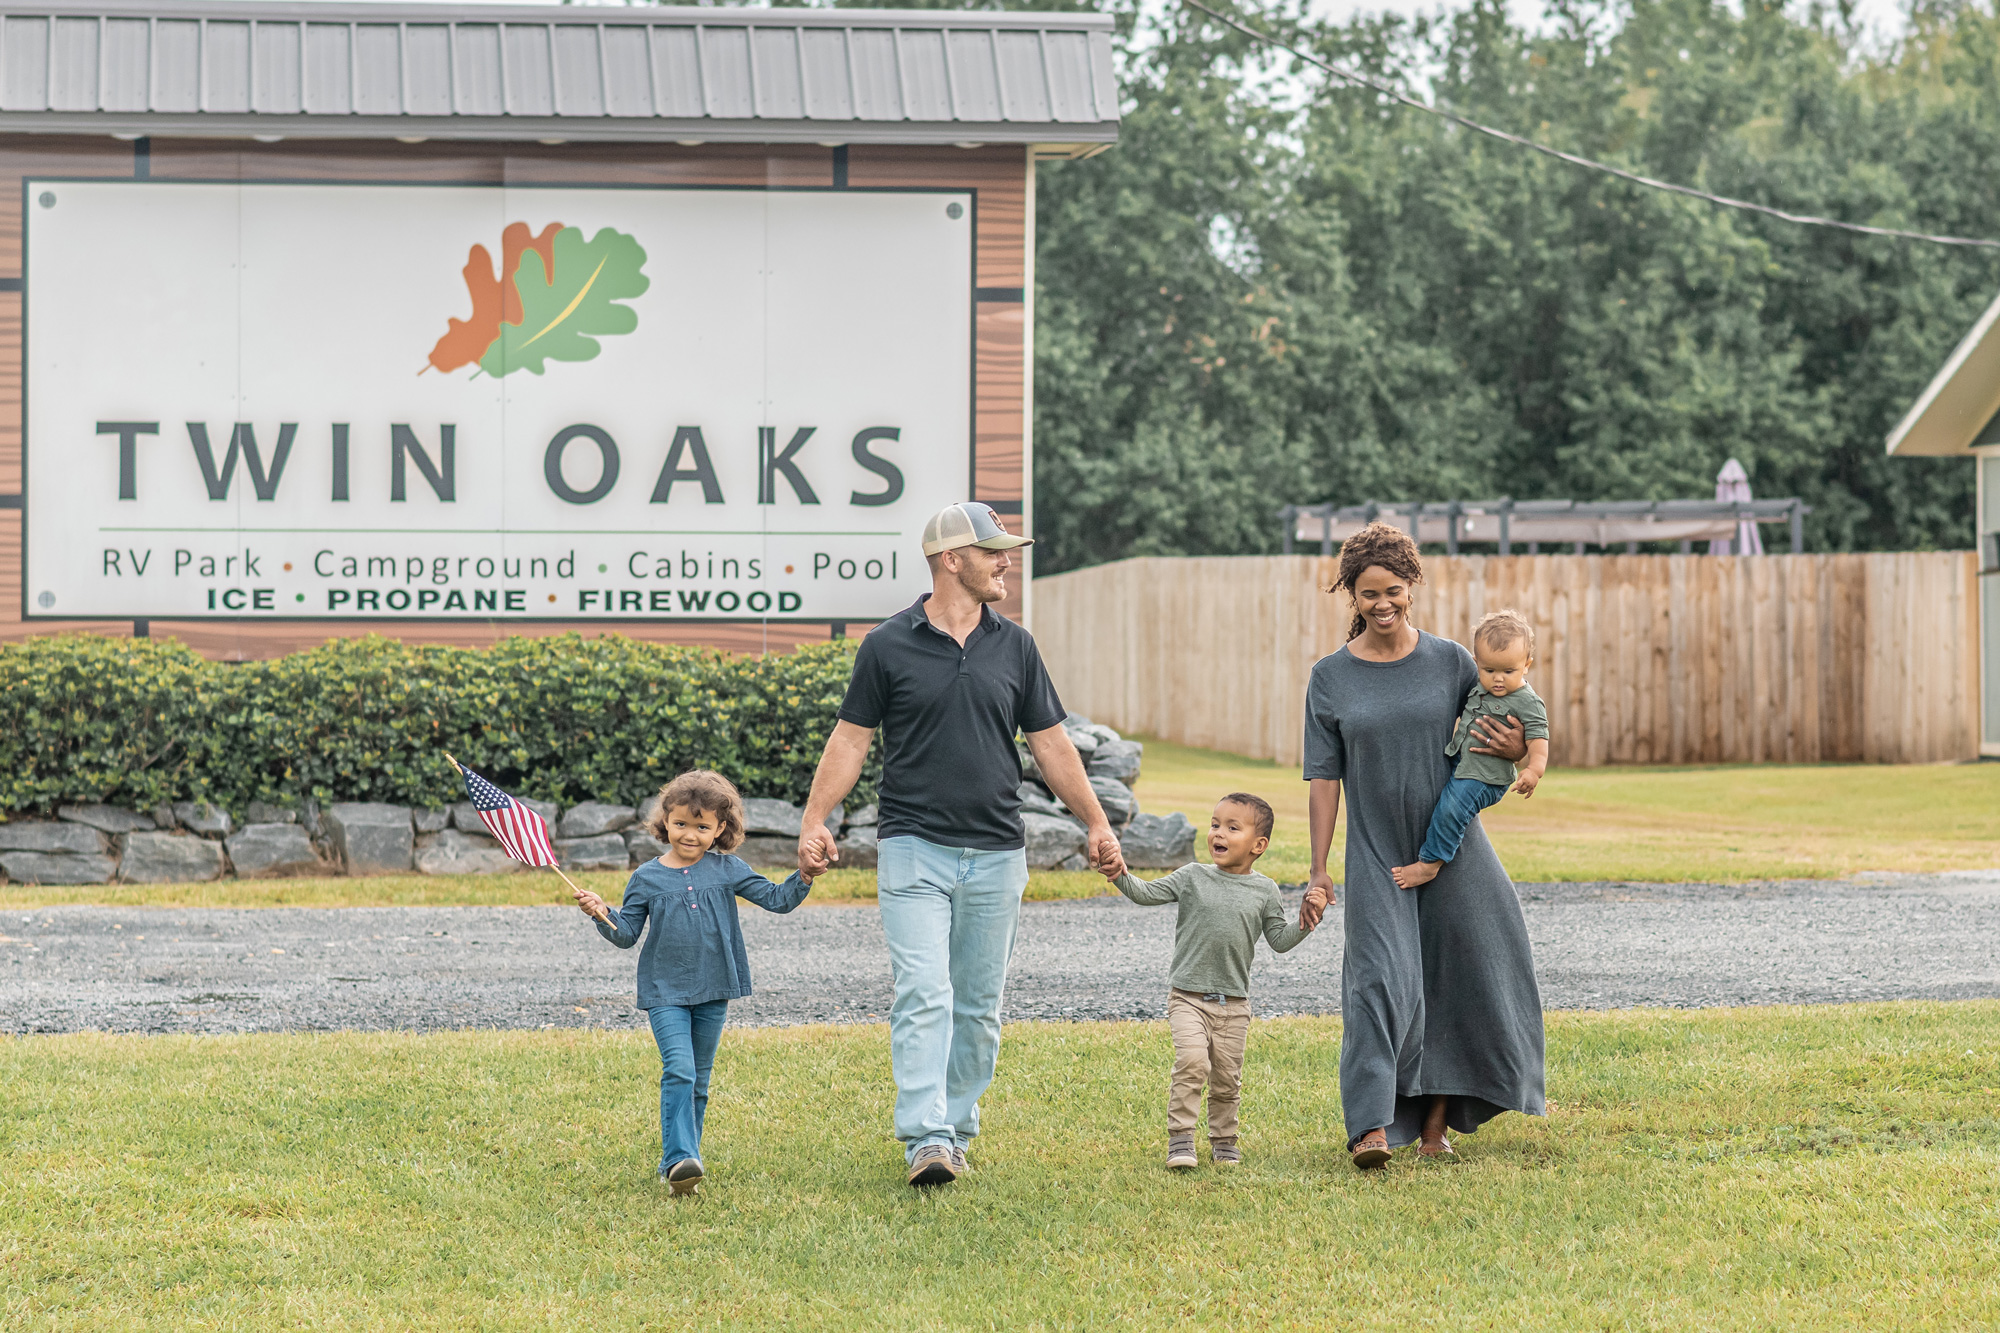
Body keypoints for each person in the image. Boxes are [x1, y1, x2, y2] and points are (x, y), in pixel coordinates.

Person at [796, 501, 1127, 1188]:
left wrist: (1096, 820)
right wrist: (814, 819)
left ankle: (958, 1125)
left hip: (997, 853)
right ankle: (927, 1136)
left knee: (978, 1004)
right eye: (993, 550)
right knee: (924, 991)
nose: (1007, 560)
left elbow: (1051, 742)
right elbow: (851, 738)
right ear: (952, 559)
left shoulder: (1017, 645)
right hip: (913, 847)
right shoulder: (888, 645)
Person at [1296, 522, 1544, 1169]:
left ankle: (1435, 1128)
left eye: (1394, 591)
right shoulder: (1330, 678)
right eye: (1369, 592)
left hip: (1452, 847)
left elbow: (1505, 729)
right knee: (1378, 978)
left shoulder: (1453, 662)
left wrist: (1522, 751)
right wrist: (1319, 867)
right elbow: (1324, 780)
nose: (1383, 604)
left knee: (1460, 973)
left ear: (1413, 588)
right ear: (1351, 594)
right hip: (1378, 851)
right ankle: (1371, 1123)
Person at [572, 769, 818, 1196]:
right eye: (681, 823)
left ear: (721, 828)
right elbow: (626, 934)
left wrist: (805, 875)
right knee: (680, 1070)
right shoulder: (646, 878)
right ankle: (678, 1159)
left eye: (702, 826)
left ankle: (686, 1164)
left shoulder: (728, 869)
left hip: (714, 987)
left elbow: (777, 900)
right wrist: (601, 913)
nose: (690, 834)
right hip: (664, 991)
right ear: (665, 821)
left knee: (699, 1081)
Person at [1111, 792, 1315, 1170]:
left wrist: (1304, 921)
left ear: (1259, 845)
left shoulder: (1265, 891)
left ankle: (1224, 1141)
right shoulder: (1193, 877)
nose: (1218, 833)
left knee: (1226, 1079)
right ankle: (1181, 1140)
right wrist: (1118, 872)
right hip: (1187, 997)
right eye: (1215, 824)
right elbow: (1145, 893)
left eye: (1232, 828)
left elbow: (1279, 941)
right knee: (1191, 1062)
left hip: (1234, 1005)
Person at [1392, 608, 1550, 891]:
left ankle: (1431, 863)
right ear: (1477, 663)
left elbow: (1538, 740)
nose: (1498, 679)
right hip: (1463, 764)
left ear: (1526, 664)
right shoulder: (1481, 685)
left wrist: (1534, 770)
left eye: (1508, 671)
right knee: (1435, 799)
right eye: (1489, 670)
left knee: (1452, 809)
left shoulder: (1528, 701)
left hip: (1486, 777)